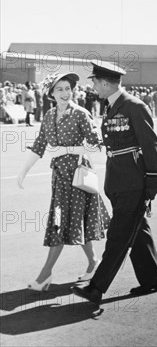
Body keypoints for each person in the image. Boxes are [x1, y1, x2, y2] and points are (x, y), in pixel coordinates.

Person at [73, 60, 157, 307]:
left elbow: (150, 144)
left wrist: (152, 180)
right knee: (137, 230)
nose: (92, 86)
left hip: (134, 181)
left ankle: (97, 287)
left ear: (105, 82)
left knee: (119, 234)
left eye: (94, 81)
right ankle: (152, 280)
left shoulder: (134, 106)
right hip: (118, 178)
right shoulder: (110, 105)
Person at [17, 72, 109, 291]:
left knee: (60, 224)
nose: (66, 93)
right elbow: (40, 145)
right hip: (59, 179)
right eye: (60, 89)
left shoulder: (80, 113)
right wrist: (23, 171)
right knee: (77, 223)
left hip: (78, 179)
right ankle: (93, 261)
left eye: (68, 88)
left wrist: (66, 150)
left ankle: (44, 275)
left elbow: (97, 144)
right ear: (51, 93)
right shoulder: (48, 116)